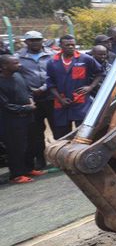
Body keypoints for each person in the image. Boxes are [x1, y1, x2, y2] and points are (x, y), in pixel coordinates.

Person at [45, 35, 102, 140]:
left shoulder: (85, 59)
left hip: (81, 102)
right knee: (62, 136)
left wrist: (90, 87)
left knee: (83, 134)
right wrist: (60, 99)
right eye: (67, 45)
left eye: (73, 45)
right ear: (61, 46)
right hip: (61, 104)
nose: (71, 47)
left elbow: (99, 73)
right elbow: (50, 84)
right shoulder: (52, 62)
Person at [0, 55, 43, 184]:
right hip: (11, 122)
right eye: (15, 63)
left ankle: (29, 168)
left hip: (28, 118)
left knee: (30, 144)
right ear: (4, 66)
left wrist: (30, 101)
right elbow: (5, 106)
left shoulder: (18, 76)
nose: (19, 65)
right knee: (15, 148)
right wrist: (27, 108)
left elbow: (28, 91)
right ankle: (17, 175)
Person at [16, 31, 55, 171]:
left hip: (51, 96)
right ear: (26, 42)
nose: (35, 42)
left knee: (58, 128)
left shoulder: (52, 54)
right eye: (32, 40)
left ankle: (58, 158)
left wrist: (45, 87)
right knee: (36, 132)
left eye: (38, 40)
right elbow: (18, 78)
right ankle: (40, 159)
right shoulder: (18, 57)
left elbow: (54, 74)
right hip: (32, 100)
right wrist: (31, 91)